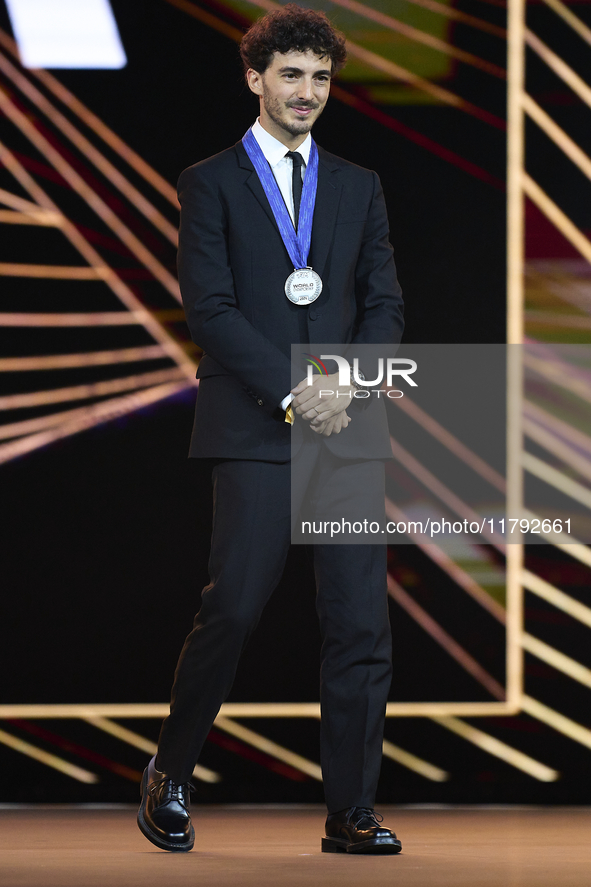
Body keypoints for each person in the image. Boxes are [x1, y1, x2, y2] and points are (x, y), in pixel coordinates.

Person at [137, 3, 404, 855]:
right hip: (256, 426)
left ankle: (350, 812)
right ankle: (169, 772)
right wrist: (296, 394)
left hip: (345, 429)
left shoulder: (359, 185)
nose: (306, 91)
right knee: (235, 610)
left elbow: (386, 305)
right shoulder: (208, 180)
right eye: (291, 74)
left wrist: (343, 389)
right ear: (255, 78)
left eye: (320, 77)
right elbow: (210, 313)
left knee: (359, 623)